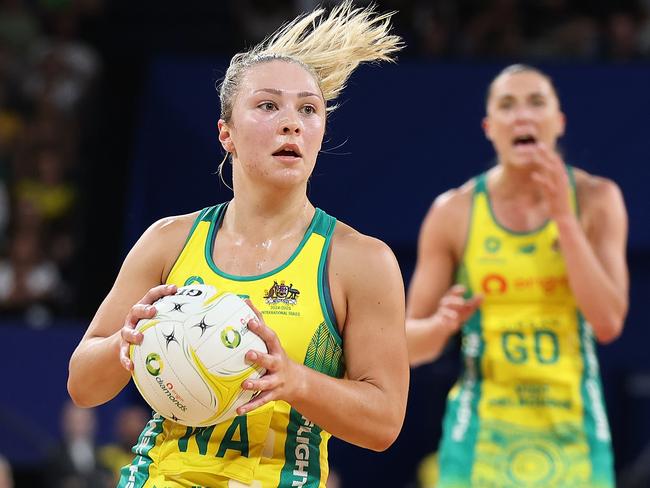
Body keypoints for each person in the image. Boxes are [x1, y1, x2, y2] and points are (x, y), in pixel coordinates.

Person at [67, 3, 409, 487]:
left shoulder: (359, 260)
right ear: (225, 133)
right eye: (268, 105)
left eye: (308, 109)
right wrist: (127, 340)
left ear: (320, 132)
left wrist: (295, 380)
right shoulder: (170, 240)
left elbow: (384, 423)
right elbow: (83, 386)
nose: (291, 122)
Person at [406, 64, 628, 487]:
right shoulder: (453, 212)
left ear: (558, 122)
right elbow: (407, 346)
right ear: (490, 128)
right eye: (507, 106)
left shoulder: (598, 200)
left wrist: (563, 216)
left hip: (575, 440)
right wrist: (440, 327)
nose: (522, 115)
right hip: (479, 444)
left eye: (536, 102)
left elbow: (608, 323)